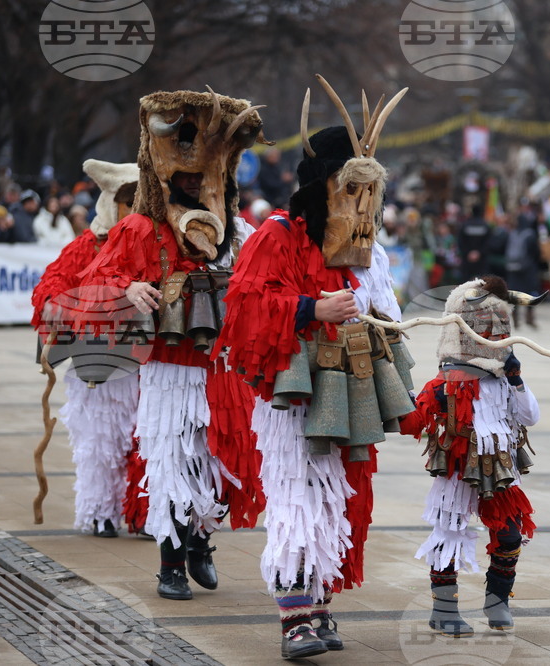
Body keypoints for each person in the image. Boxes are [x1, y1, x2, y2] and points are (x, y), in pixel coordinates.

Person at [216, 77, 411, 660]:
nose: (360, 203)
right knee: (297, 495)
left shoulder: (360, 247)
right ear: (323, 186)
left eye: (366, 193)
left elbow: (387, 312)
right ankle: (294, 616)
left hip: (347, 388)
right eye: (349, 189)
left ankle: (320, 602)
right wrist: (310, 307)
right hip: (293, 391)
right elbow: (244, 307)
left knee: (338, 497)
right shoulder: (276, 235)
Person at [77, 87, 267, 602]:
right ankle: (171, 564)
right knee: (174, 465)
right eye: (185, 178)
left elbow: (270, 286)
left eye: (205, 177)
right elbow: (94, 285)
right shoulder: (139, 229)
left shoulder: (241, 232)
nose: (196, 186)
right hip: (171, 371)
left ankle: (203, 540)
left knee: (230, 462)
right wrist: (128, 288)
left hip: (225, 370)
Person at [400, 277, 542, 637]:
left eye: (500, 325)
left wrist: (517, 380)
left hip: (502, 469)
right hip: (457, 470)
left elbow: (530, 417)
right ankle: (443, 609)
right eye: (484, 325)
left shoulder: (505, 380)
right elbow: (410, 422)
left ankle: (498, 602)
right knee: (449, 532)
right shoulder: (443, 384)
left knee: (509, 535)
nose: (494, 333)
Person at [31, 159, 146, 538]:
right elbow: (48, 291)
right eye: (130, 201)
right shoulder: (86, 247)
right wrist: (78, 310)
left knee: (147, 441)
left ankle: (146, 513)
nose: (137, 209)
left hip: (147, 363)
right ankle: (101, 511)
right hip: (97, 365)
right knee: (100, 442)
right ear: (115, 204)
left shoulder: (153, 245)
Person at [506, 212, 541, 328]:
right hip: (528, 268)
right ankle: (529, 318)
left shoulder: (512, 233)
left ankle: (515, 320)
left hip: (513, 267)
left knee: (515, 293)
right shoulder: (530, 234)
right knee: (530, 292)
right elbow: (536, 253)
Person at [458, 204, 491, 281]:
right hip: (481, 260)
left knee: (465, 282)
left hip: (467, 259)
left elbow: (461, 241)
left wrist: (468, 253)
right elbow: (489, 242)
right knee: (482, 282)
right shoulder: (485, 225)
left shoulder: (465, 225)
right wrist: (479, 253)